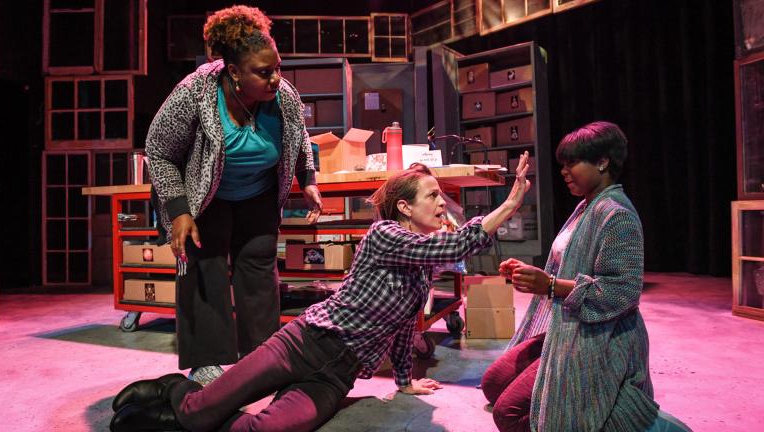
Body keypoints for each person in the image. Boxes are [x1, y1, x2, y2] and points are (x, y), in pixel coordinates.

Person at [110, 155, 532, 432]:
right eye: (433, 196)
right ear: (404, 207)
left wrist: (404, 382)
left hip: (336, 374)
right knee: (200, 412)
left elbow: (404, 331)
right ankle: (174, 392)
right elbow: (458, 245)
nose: (443, 204)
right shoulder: (384, 235)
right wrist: (509, 204)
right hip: (304, 343)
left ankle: (189, 415)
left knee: (266, 431)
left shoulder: (421, 270)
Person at [145, 5, 323, 385]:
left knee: (258, 268)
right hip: (206, 196)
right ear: (234, 73)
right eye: (264, 72)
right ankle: (207, 361)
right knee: (205, 265)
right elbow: (158, 150)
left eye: (278, 68)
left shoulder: (284, 95)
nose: (276, 78)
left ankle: (263, 358)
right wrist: (178, 210)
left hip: (258, 192)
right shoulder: (195, 92)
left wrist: (308, 179)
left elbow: (299, 137)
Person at [482, 121, 689, 432]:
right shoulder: (586, 206)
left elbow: (621, 292)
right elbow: (564, 264)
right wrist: (526, 274)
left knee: (508, 413)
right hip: (568, 327)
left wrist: (550, 286)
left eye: (572, 163)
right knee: (493, 382)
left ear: (602, 162)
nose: (564, 171)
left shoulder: (617, 214)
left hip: (598, 336)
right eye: (563, 164)